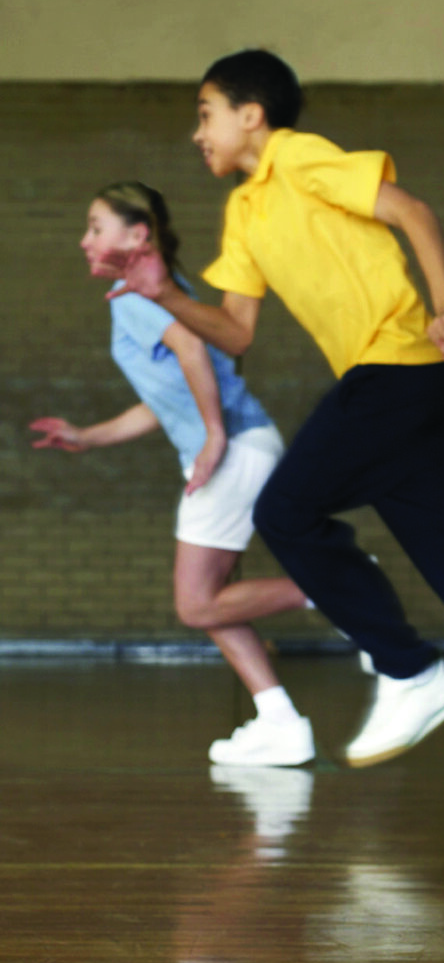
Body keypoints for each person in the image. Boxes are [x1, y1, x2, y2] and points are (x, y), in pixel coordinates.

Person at [100, 50, 444, 803]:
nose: (196, 132)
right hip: (388, 386)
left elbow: (411, 211)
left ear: (252, 115)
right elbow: (235, 331)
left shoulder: (299, 159)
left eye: (206, 114)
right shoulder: (242, 210)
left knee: (285, 510)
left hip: (397, 365)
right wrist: (165, 291)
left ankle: (409, 671)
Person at [32, 182, 314, 767]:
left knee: (195, 604)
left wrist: (213, 436)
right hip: (236, 446)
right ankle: (280, 721)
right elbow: (165, 401)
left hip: (232, 448)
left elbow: (190, 353)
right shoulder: (152, 292)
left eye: (95, 226)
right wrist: (90, 436)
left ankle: (337, 589)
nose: (85, 240)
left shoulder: (135, 296)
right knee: (209, 602)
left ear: (137, 236)